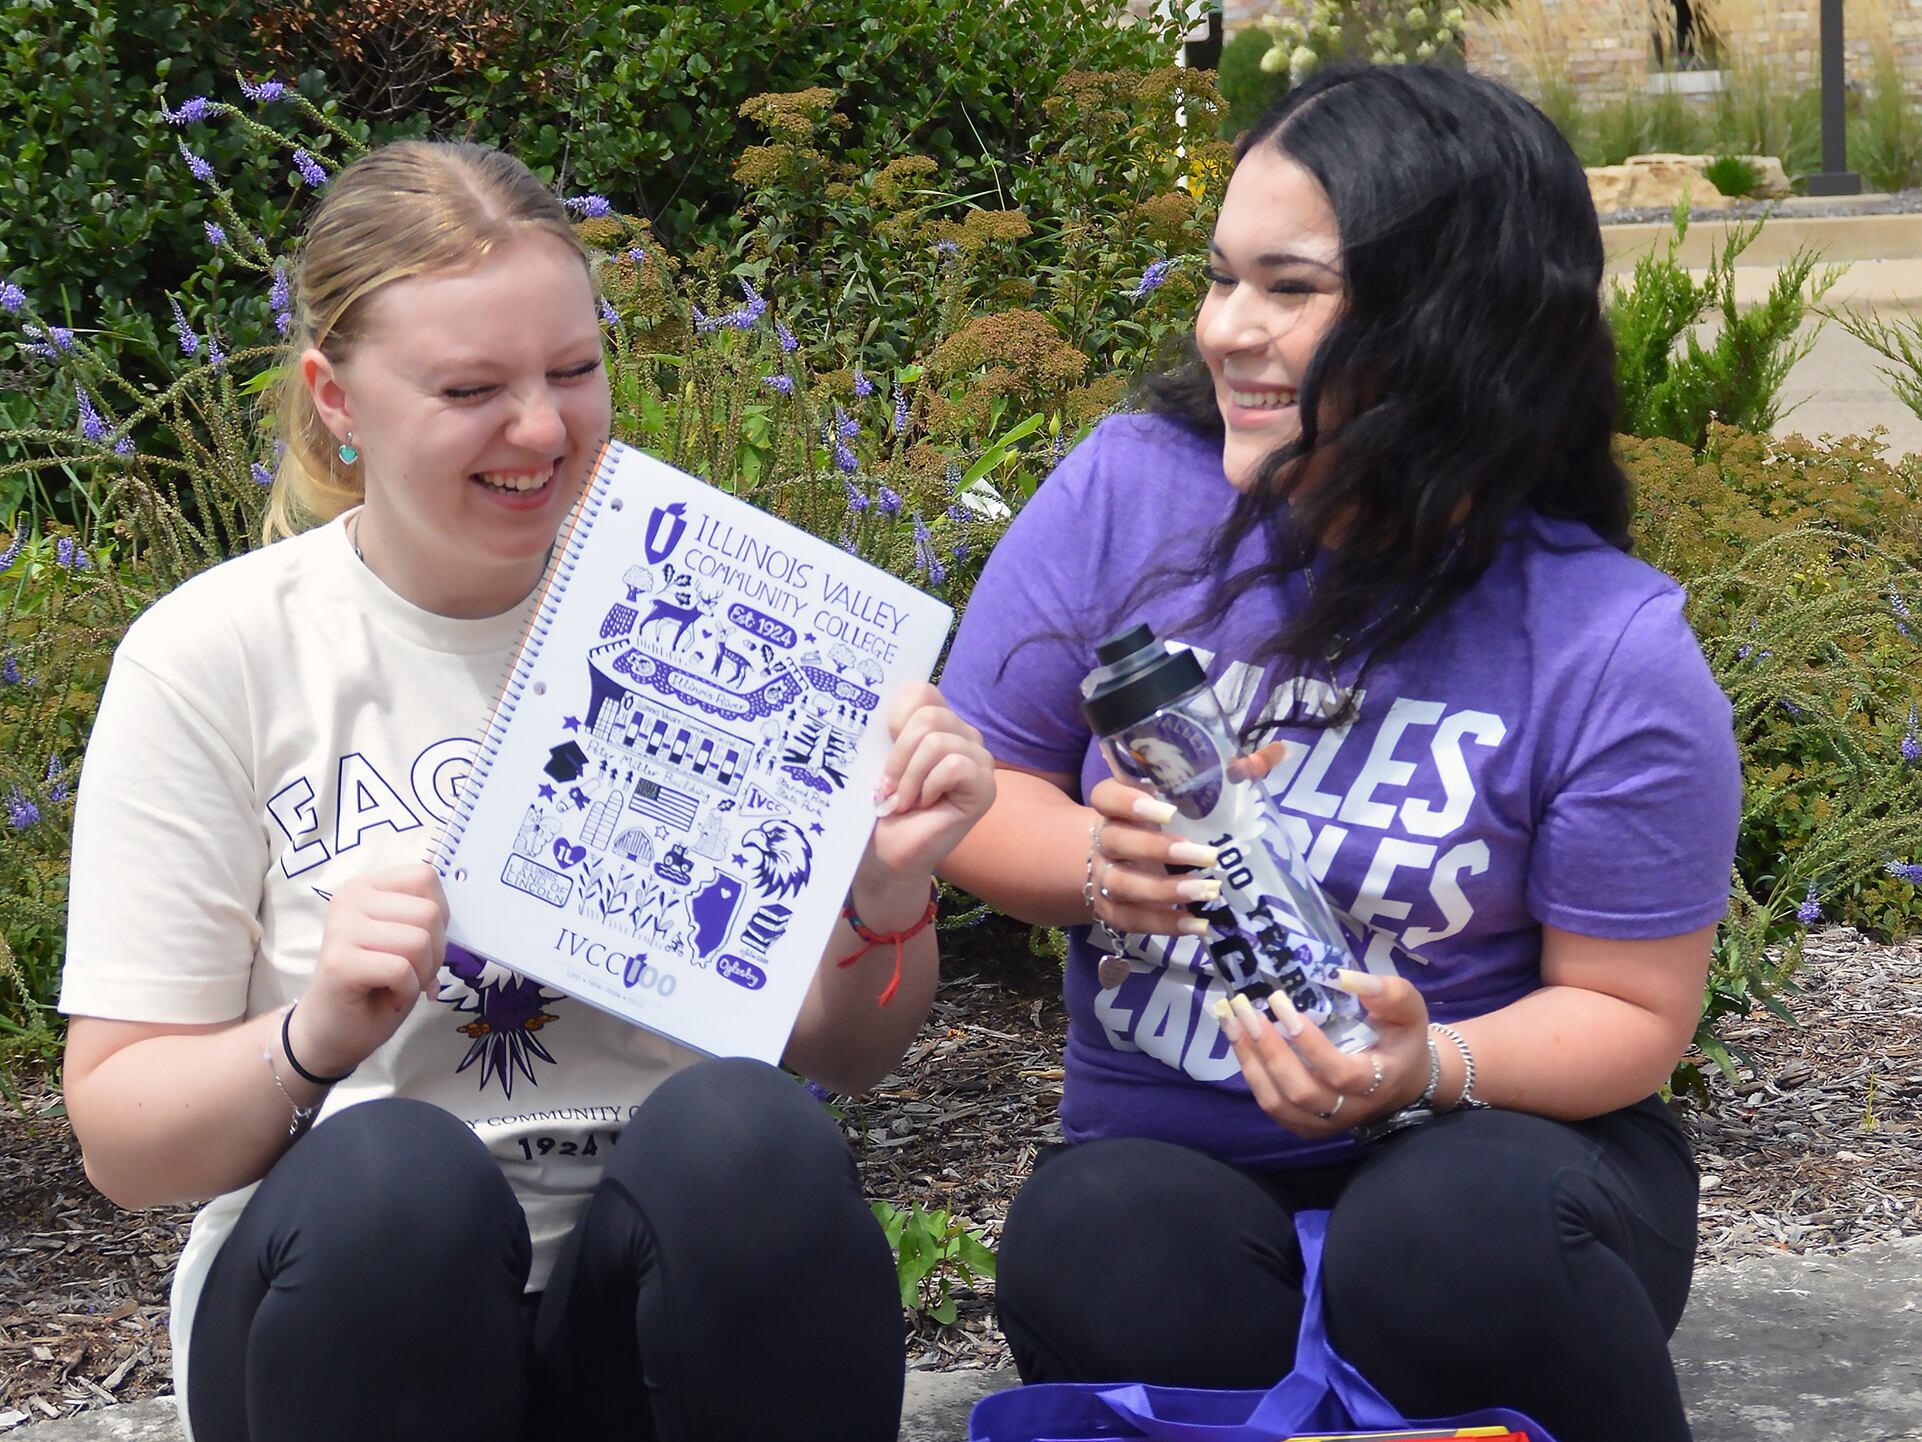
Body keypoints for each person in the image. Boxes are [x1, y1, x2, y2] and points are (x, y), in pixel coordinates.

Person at [59, 140, 995, 1442]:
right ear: (336, 397)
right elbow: (122, 1141)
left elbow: (846, 1050)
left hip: (645, 1293)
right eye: (470, 387)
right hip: (344, 1310)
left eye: (574, 369)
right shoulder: (215, 652)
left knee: (749, 1130)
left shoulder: (722, 619)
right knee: (395, 1178)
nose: (544, 428)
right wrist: (312, 1033)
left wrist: (885, 891)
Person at [937, 64, 1739, 1442]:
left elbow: (1630, 1012)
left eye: (1288, 289)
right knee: (1094, 1232)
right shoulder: (1125, 491)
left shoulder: (1606, 638)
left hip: (1492, 1164)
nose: (1226, 330)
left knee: (1447, 1225)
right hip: (1183, 1163)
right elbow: (969, 787)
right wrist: (1094, 861)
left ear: (1452, 320)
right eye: (1218, 277)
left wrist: (1426, 1068)